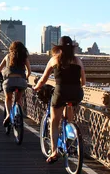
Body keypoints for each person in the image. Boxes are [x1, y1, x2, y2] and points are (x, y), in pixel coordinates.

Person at [33, 36, 86, 164]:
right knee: (69, 107)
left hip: (60, 92)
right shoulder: (77, 60)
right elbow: (83, 81)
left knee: (55, 122)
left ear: (59, 48)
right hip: (76, 93)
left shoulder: (54, 60)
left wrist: (36, 87)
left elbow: (44, 79)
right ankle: (70, 133)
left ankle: (54, 151)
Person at [0, 41, 31, 127]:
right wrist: (25, 78)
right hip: (21, 81)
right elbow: (29, 71)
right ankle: (19, 115)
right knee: (19, 99)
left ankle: (8, 114)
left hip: (9, 82)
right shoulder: (24, 58)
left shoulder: (8, 56)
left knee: (8, 98)